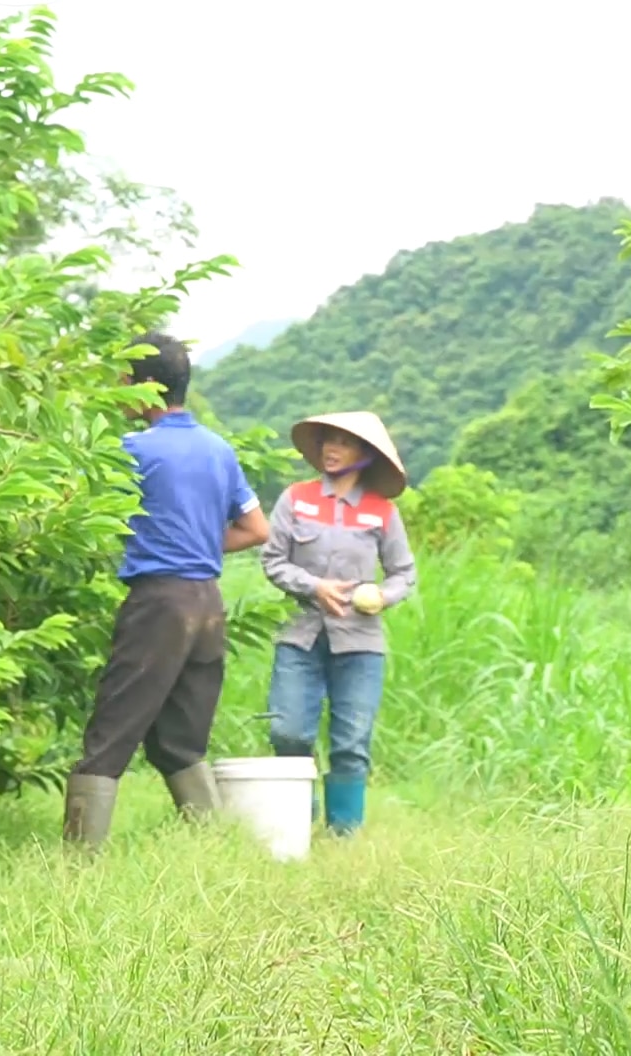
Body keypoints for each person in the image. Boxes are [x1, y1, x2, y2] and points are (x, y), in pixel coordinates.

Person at [63, 332, 270, 847]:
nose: (118, 389)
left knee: (110, 733)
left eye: (123, 380)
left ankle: (76, 862)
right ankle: (208, 846)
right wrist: (198, 545)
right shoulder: (218, 450)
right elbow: (255, 530)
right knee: (180, 740)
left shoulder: (133, 449)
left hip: (158, 603)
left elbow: (77, 510)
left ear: (147, 388)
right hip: (206, 602)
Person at [259, 411, 417, 836]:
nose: (332, 449)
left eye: (344, 443)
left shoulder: (382, 512)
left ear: (365, 455)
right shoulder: (296, 498)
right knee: (288, 731)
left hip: (361, 643)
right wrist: (313, 586)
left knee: (352, 742)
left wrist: (384, 596)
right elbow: (272, 561)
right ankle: (296, 825)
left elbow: (404, 573)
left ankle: (344, 837)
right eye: (327, 441)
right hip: (299, 635)